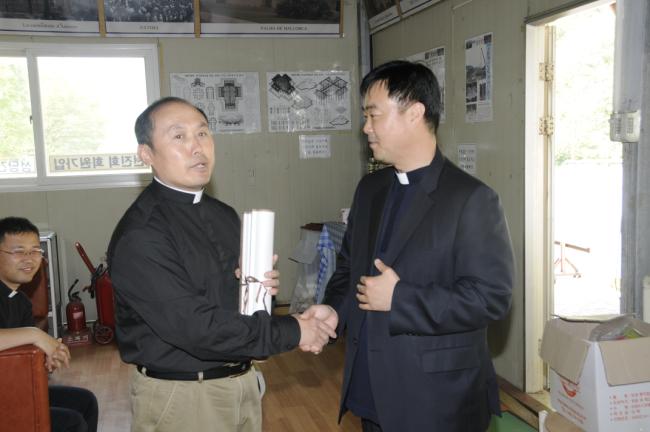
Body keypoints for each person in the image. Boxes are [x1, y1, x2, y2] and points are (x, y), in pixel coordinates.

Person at [107, 96, 336, 432]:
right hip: (184, 395)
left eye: (203, 133)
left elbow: (236, 305)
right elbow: (196, 328)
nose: (197, 147)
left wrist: (258, 289)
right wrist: (295, 330)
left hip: (241, 381)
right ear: (147, 154)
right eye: (179, 136)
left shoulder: (223, 214)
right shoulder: (142, 234)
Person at [322, 60, 515, 432]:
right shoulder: (370, 189)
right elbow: (349, 269)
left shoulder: (471, 199)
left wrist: (400, 298)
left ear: (414, 113)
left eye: (373, 115)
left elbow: (490, 298)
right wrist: (334, 311)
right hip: (372, 386)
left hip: (437, 400)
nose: (366, 127)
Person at [0, 216, 99, 432]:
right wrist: (36, 334)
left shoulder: (21, 302)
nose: (29, 259)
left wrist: (45, 360)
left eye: (35, 251)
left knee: (86, 402)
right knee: (72, 423)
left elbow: (23, 355)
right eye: (18, 251)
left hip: (13, 388)